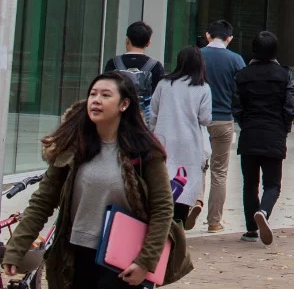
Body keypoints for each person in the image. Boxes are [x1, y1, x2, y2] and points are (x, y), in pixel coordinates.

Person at [0, 72, 192, 288]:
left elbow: (163, 208)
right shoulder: (71, 147)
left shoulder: (143, 151)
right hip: (74, 257)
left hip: (122, 259)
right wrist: (16, 249)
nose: (96, 100)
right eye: (93, 94)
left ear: (124, 104)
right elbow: (42, 202)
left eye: (106, 95)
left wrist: (145, 261)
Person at [233, 31, 294, 245]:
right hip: (274, 132)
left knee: (250, 184)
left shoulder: (242, 75)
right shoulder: (284, 74)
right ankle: (264, 211)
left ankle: (251, 229)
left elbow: (237, 106)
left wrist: (245, 123)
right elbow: (290, 105)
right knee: (273, 184)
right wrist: (284, 128)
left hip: (250, 133)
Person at [150, 46, 213, 231]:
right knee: (185, 185)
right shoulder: (203, 87)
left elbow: (153, 113)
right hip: (189, 143)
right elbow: (205, 119)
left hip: (164, 139)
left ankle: (162, 225)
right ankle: (178, 228)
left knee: (164, 181)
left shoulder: (164, 84)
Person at [199, 19, 246, 233]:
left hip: (199, 121)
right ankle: (214, 221)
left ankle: (195, 203)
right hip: (224, 119)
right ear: (230, 38)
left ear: (207, 35)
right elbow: (242, 91)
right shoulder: (236, 60)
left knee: (197, 166)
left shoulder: (197, 56)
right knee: (219, 171)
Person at [105, 20, 166, 120]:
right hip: (144, 120)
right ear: (148, 43)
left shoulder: (113, 63)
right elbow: (159, 97)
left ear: (127, 40)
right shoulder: (156, 66)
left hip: (117, 117)